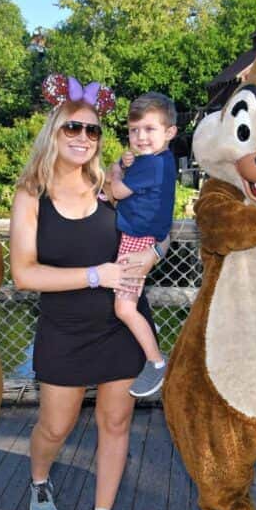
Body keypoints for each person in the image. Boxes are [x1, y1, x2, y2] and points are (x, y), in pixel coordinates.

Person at [9, 74, 163, 510]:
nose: (82, 137)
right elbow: (24, 275)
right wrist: (95, 274)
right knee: (55, 426)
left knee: (115, 423)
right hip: (64, 329)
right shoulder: (30, 196)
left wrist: (152, 256)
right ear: (53, 134)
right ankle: (39, 479)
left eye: (92, 130)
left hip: (121, 324)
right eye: (72, 128)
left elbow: (154, 229)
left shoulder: (111, 187)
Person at [107, 93, 177, 397]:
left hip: (137, 239)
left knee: (124, 306)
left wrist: (114, 172)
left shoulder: (150, 166)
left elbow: (119, 192)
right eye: (134, 130)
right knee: (126, 301)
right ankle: (147, 338)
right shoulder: (161, 159)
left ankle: (156, 361)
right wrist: (128, 162)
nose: (140, 137)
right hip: (144, 235)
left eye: (149, 129)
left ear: (170, 132)